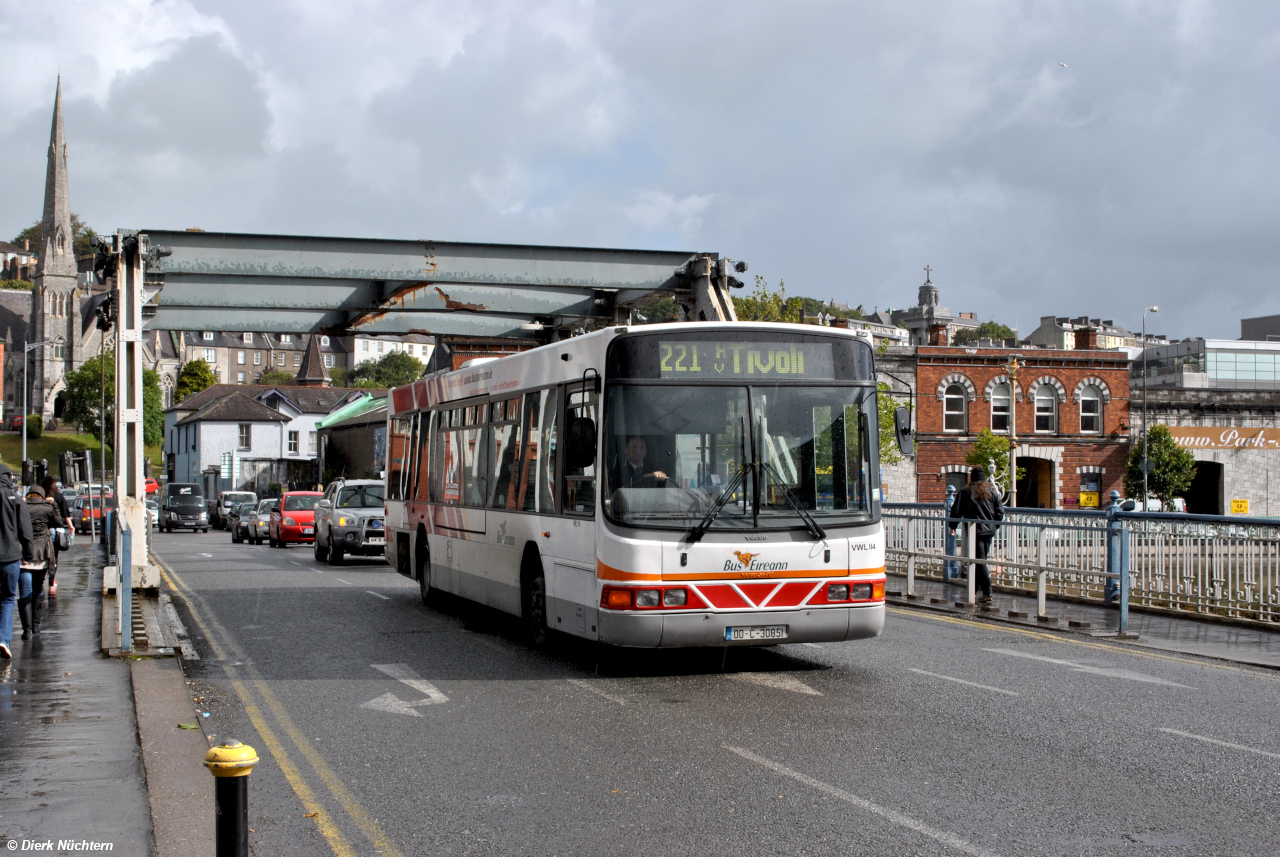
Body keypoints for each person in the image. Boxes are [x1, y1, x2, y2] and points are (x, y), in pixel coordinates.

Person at [947, 466, 1004, 604]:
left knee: (979, 560)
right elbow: (1000, 512)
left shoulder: (966, 492)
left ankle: (987, 591)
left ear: (971, 478)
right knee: (979, 560)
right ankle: (974, 590)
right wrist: (994, 526)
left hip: (975, 531)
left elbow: (956, 510)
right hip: (989, 530)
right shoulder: (992, 491)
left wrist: (952, 526)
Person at [18, 486, 63, 640]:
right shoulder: (47, 508)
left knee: (24, 591)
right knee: (38, 589)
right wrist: (53, 504)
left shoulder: (21, 505)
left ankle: (26, 630)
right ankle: (36, 626)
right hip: (42, 553)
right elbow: (59, 522)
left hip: (24, 553)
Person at [0, 463, 34, 659]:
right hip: (11, 558)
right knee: (7, 598)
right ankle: (3, 639)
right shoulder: (15, 499)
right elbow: (25, 530)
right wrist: (28, 554)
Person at [40, 475, 69, 596]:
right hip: (56, 531)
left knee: (42, 555)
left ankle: (41, 579)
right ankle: (52, 581)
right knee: (54, 556)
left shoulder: (40, 496)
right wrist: (71, 527)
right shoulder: (59, 496)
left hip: (43, 531)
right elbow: (65, 514)